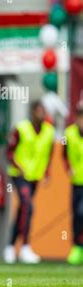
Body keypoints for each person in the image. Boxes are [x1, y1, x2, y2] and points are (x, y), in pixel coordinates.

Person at [4, 102, 55, 264]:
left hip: (35, 176)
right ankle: (25, 246)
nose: (41, 114)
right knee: (27, 205)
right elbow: (9, 151)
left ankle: (10, 247)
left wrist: (47, 173)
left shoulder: (49, 131)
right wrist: (17, 165)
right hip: (20, 175)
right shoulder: (21, 128)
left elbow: (49, 154)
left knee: (23, 210)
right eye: (38, 111)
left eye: (43, 111)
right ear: (32, 112)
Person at [62, 107, 83, 265]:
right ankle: (77, 247)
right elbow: (64, 155)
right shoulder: (69, 133)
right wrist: (69, 168)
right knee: (77, 214)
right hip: (77, 182)